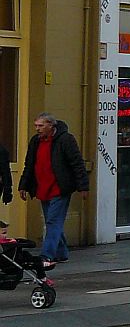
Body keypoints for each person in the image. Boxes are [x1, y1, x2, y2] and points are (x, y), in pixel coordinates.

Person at [18, 112, 88, 263]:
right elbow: (29, 164)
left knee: (52, 221)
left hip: (59, 187)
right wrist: (23, 185)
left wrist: (83, 186)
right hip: (42, 187)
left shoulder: (65, 140)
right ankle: (61, 253)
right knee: (52, 220)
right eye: (36, 126)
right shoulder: (35, 141)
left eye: (41, 126)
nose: (37, 129)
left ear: (51, 125)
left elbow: (77, 163)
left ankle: (47, 255)